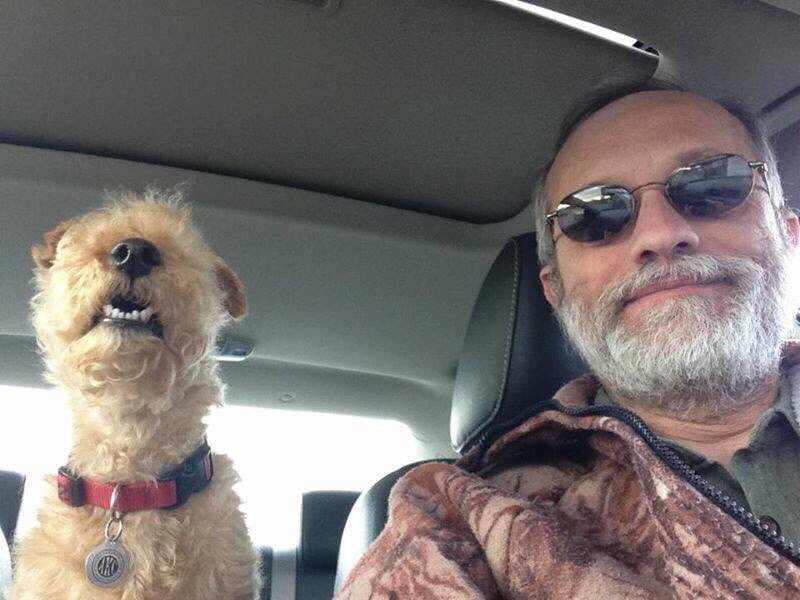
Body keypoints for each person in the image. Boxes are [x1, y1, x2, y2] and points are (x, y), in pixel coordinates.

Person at [335, 79, 800, 599]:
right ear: (555, 291)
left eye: (712, 184)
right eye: (595, 215)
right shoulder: (455, 525)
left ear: (789, 235)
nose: (660, 234)